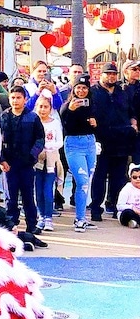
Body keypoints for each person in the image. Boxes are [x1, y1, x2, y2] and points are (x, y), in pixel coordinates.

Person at [0, 86, 47, 249]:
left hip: (27, 162)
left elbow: (40, 139)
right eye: (12, 97)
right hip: (9, 163)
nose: (15, 101)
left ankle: (32, 224)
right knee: (11, 196)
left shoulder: (32, 118)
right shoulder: (3, 117)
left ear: (25, 99)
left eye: (18, 97)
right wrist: (2, 159)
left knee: (28, 194)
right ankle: (11, 223)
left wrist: (33, 155)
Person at [90, 61, 137, 223]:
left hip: (122, 139)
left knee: (118, 177)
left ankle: (115, 206)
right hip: (102, 140)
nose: (111, 77)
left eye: (113, 74)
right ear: (101, 75)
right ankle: (96, 208)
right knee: (100, 176)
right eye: (108, 73)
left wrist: (133, 124)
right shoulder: (93, 92)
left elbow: (131, 111)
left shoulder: (122, 92)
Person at [60, 75, 98, 232]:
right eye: (78, 88)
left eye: (84, 88)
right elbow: (65, 124)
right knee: (81, 181)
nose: (81, 91)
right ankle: (79, 219)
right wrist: (71, 111)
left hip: (90, 143)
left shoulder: (92, 105)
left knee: (87, 182)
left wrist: (95, 124)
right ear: (73, 89)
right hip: (73, 145)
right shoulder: (66, 106)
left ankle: (82, 216)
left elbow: (97, 124)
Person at [33, 95, 63, 233]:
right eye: (40, 106)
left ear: (50, 109)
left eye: (46, 107)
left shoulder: (55, 122)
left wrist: (47, 147)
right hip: (36, 160)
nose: (43, 110)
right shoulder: (33, 121)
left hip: (51, 160)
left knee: (47, 189)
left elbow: (60, 141)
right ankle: (41, 216)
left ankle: (49, 217)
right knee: (38, 190)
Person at [116, 163, 140, 228]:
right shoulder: (127, 189)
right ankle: (134, 221)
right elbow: (119, 206)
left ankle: (135, 222)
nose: (138, 179)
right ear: (130, 178)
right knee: (127, 213)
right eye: (135, 177)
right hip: (130, 212)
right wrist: (132, 208)